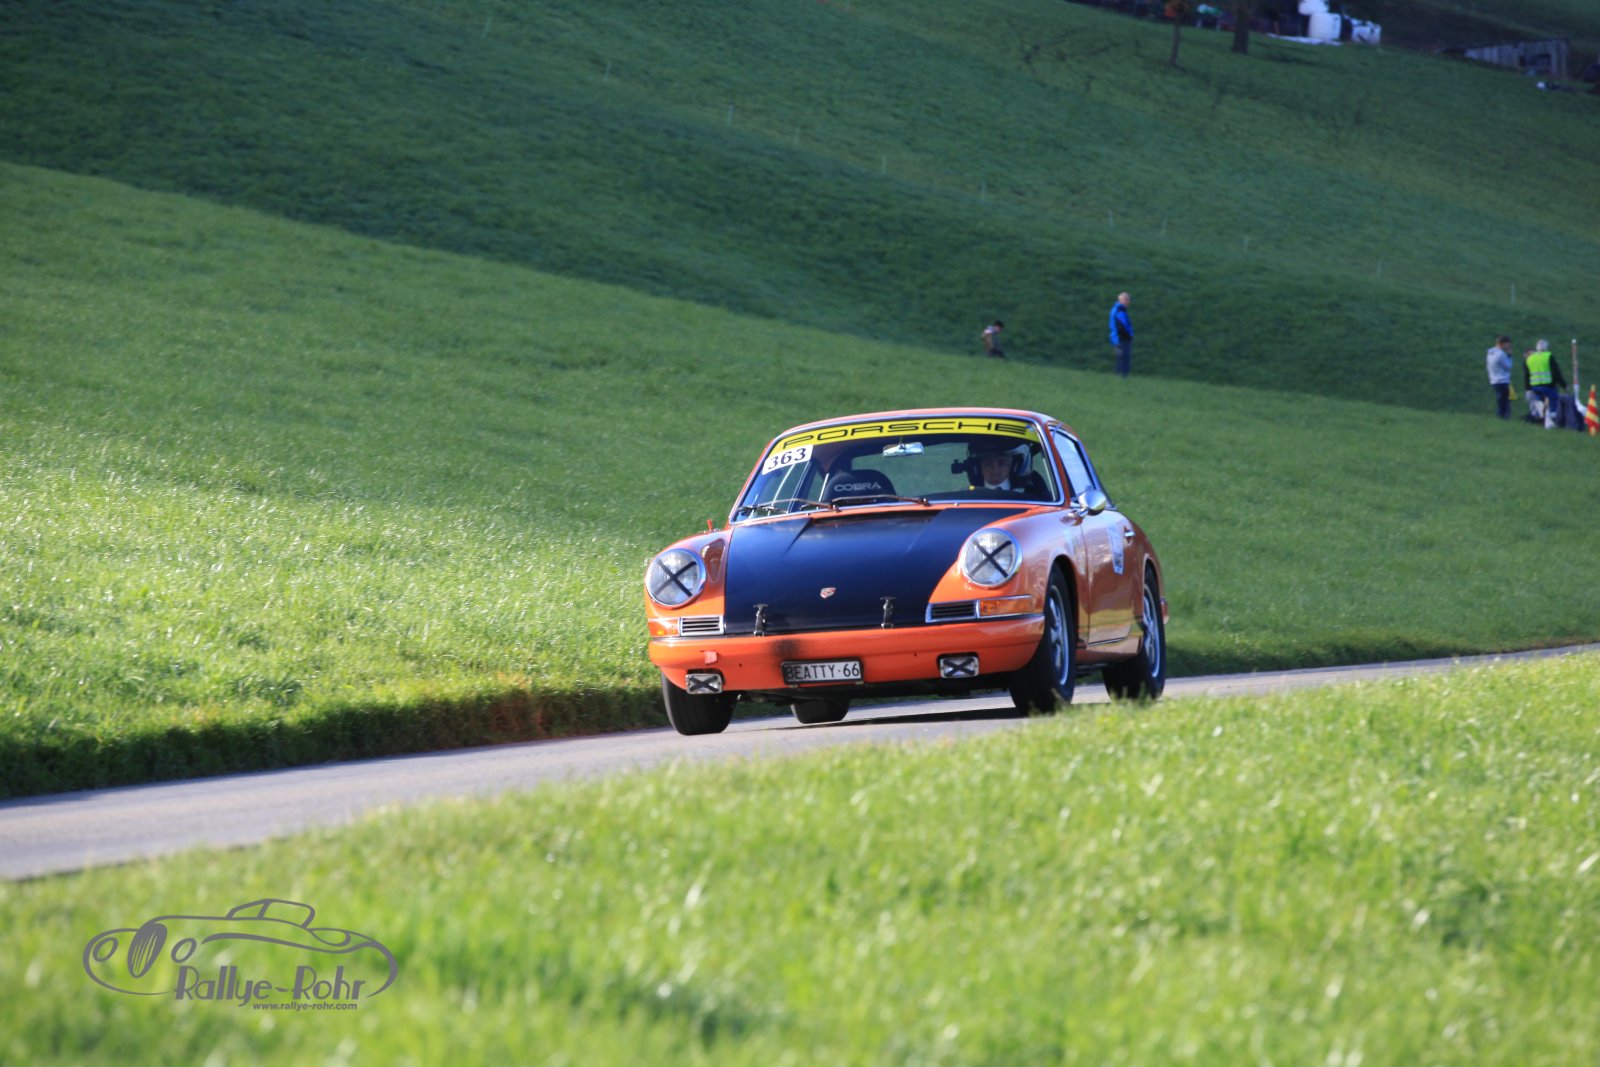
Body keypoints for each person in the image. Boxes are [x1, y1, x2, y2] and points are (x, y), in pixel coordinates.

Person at [1524, 338, 1567, 428]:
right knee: (1553, 405)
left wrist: (1528, 389)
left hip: (1535, 387)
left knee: (1540, 405)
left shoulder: (1530, 358)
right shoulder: (1549, 356)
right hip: (1548, 386)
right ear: (1546, 348)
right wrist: (1563, 385)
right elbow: (1556, 373)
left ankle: (1542, 421)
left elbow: (1527, 375)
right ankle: (1553, 423)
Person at [1486, 334, 1514, 419]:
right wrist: (1509, 355)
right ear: (1502, 344)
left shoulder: (1490, 353)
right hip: (1502, 380)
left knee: (1500, 400)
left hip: (1493, 379)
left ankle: (1501, 416)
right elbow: (1508, 366)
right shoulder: (1501, 354)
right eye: (1508, 344)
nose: (1509, 346)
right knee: (1504, 402)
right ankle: (1503, 417)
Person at [1108, 292, 1133, 377]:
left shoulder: (1116, 309)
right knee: (1124, 360)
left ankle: (1118, 379)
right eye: (1127, 300)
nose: (1128, 302)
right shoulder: (1120, 310)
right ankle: (1123, 378)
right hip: (1121, 339)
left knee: (1120, 360)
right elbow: (1122, 326)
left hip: (1116, 339)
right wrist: (1129, 335)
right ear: (1121, 300)